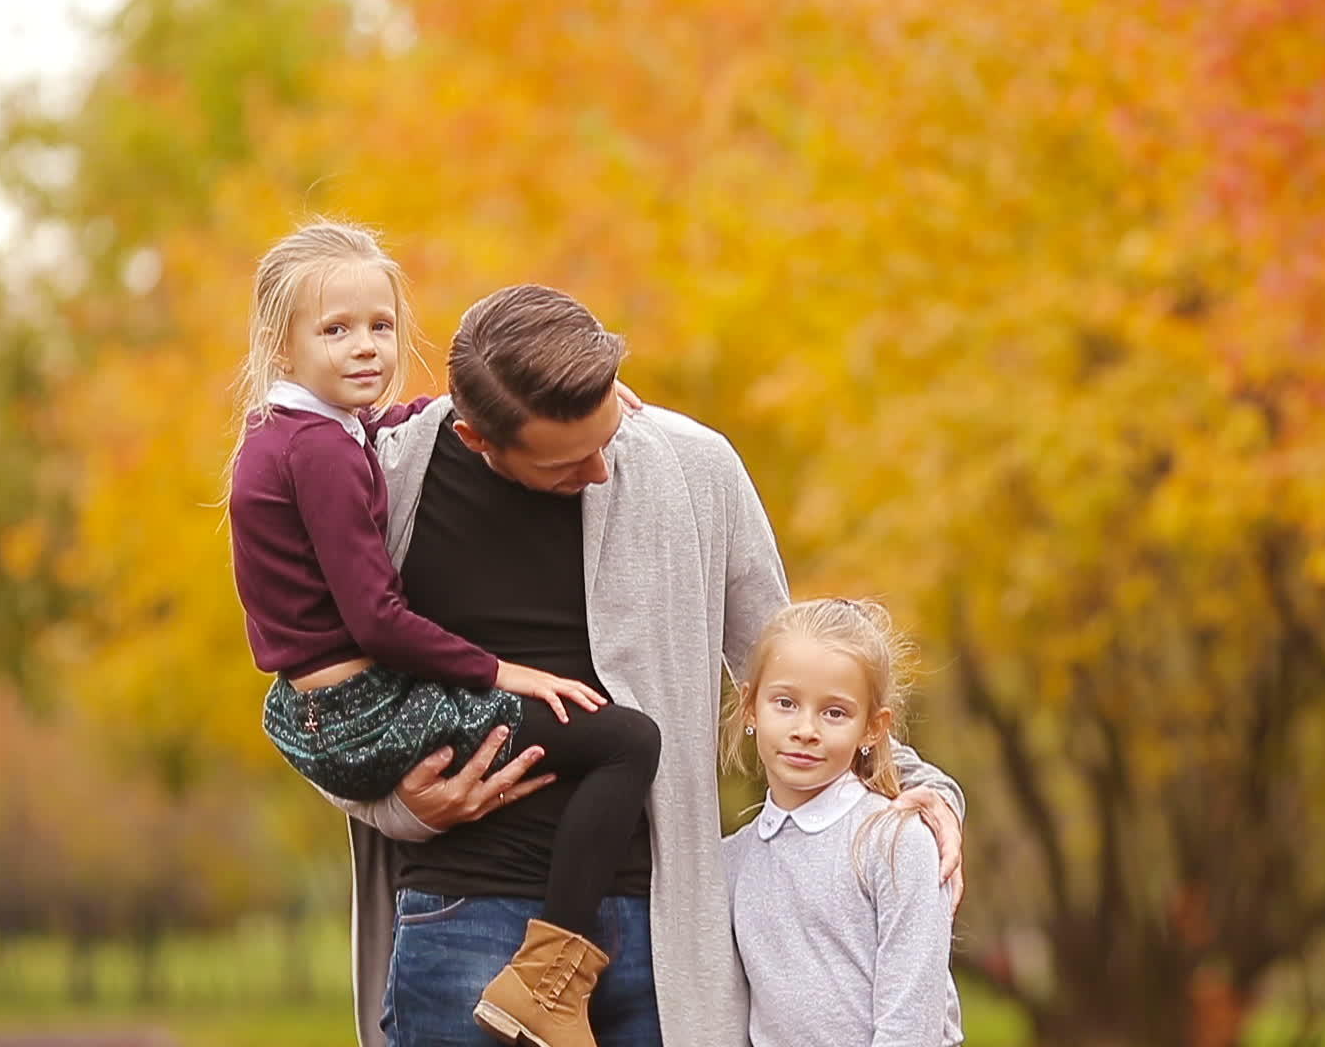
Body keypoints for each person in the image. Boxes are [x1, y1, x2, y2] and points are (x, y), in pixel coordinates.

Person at [312, 281, 966, 1047]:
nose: (598, 469)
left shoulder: (697, 467)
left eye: (607, 434)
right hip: (468, 914)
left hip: (659, 927)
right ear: (477, 441)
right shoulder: (384, 483)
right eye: (565, 463)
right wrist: (394, 808)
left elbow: (793, 666)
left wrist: (921, 787)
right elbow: (319, 696)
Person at [226, 221, 663, 1047]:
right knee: (627, 741)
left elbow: (401, 418)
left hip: (322, 706)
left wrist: (551, 402)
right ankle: (551, 983)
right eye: (336, 330)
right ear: (281, 348)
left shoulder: (299, 433)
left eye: (380, 326)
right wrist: (505, 672)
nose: (366, 348)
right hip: (366, 707)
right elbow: (375, 620)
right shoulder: (320, 453)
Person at [721, 598, 963, 1047]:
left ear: (873, 728)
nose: (806, 729)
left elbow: (913, 1021)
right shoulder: (732, 861)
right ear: (750, 707)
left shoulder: (894, 841)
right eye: (786, 703)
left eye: (835, 712)